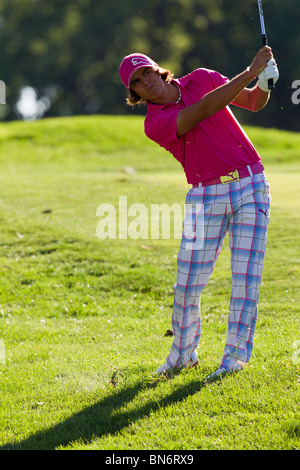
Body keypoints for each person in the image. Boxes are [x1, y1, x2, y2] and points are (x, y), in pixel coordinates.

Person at [119, 47, 279, 379]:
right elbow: (205, 109)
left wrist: (265, 82)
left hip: (251, 183)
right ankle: (182, 355)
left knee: (246, 280)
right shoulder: (156, 122)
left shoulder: (203, 78)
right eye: (136, 82)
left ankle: (233, 360)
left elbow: (250, 102)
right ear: (133, 93)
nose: (146, 81)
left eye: (147, 71)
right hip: (206, 195)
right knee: (187, 286)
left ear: (158, 69)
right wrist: (251, 71)